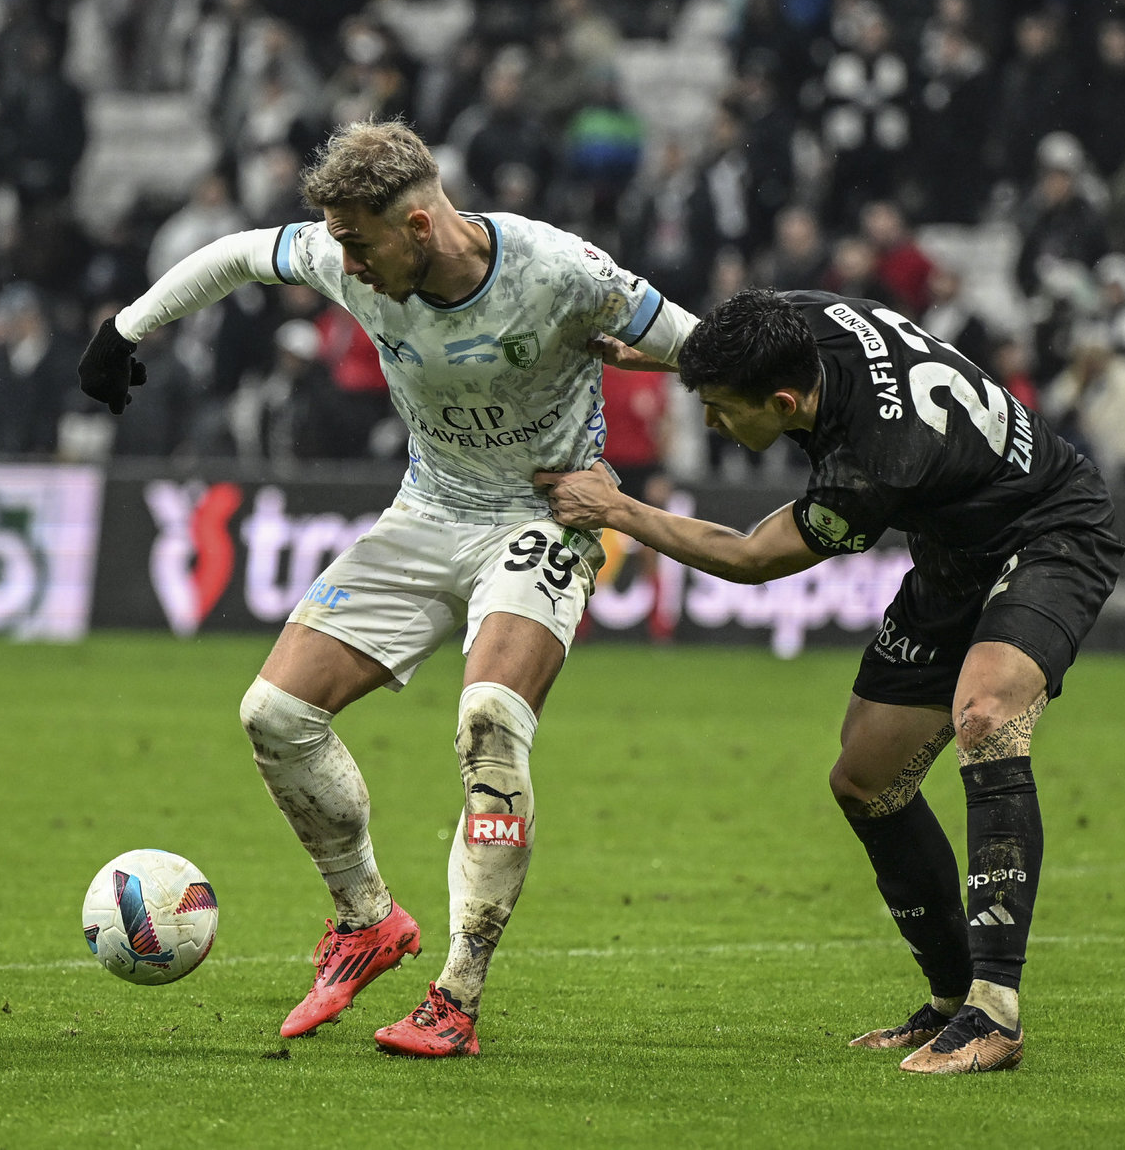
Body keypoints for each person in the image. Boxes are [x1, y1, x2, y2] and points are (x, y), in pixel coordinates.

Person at [77, 121, 697, 1057]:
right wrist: (126, 328)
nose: (348, 267)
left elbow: (709, 348)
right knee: (273, 714)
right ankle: (366, 917)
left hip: (544, 517)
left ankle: (458, 993)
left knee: (488, 716)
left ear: (416, 222)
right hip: (425, 513)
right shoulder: (344, 249)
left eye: (361, 244)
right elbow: (239, 255)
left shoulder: (562, 270)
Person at [535, 288, 1121, 1075]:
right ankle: (951, 998)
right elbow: (739, 332)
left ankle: (995, 1009)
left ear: (781, 400)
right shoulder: (796, 321)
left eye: (718, 408)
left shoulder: (868, 465)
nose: (710, 423)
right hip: (955, 553)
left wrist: (618, 511)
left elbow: (749, 557)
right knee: (864, 779)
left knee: (985, 715)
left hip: (1049, 531)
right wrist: (680, 351)